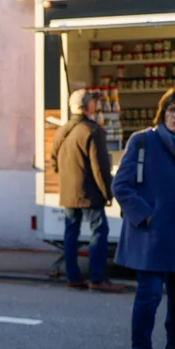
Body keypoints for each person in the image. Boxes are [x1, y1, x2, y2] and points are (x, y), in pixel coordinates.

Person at [112, 89, 175, 349]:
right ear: (162, 114)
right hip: (151, 236)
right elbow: (121, 185)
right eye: (171, 110)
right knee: (149, 296)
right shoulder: (143, 141)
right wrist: (146, 215)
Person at [50, 89, 123, 293]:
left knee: (71, 234)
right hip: (89, 192)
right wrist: (107, 193)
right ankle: (97, 278)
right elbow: (99, 167)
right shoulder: (92, 131)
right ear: (87, 106)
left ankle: (73, 276)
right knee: (99, 231)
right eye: (92, 102)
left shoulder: (62, 130)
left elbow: (54, 161)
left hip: (68, 192)